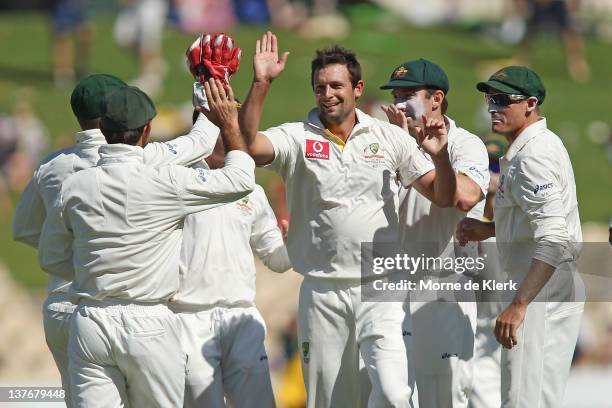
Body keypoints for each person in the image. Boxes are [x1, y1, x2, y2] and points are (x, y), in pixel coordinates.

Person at [239, 31, 457, 407]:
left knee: (392, 393)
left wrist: (440, 157)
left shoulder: (389, 137)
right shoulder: (296, 138)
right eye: (320, 87)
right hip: (323, 291)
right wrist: (261, 83)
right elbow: (247, 146)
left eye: (337, 85)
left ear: (357, 88)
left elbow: (443, 195)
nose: (328, 94)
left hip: (382, 286)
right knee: (330, 401)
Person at [36, 80, 254, 407]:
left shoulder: (74, 185)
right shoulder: (166, 179)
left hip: (90, 322)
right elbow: (239, 179)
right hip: (149, 323)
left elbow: (52, 258)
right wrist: (228, 122)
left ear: (103, 129)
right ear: (147, 130)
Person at [457, 66, 584, 407]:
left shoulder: (534, 156)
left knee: (526, 401)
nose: (492, 108)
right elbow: (537, 221)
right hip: (541, 282)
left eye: (502, 100)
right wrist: (490, 229)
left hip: (542, 288)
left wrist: (519, 304)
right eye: (489, 99)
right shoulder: (533, 146)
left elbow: (555, 237)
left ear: (530, 104)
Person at [379, 58, 490, 408]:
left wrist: (427, 154)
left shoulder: (464, 143)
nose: (398, 104)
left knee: (443, 398)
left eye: (408, 95)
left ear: (436, 99)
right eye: (395, 95)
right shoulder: (386, 141)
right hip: (387, 286)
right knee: (386, 395)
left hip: (441, 285)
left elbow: (466, 196)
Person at [170, 132, 292, 408]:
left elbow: (277, 259)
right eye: (223, 128)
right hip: (188, 318)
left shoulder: (251, 189)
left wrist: (294, 241)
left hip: (241, 318)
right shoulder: (176, 181)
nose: (233, 137)